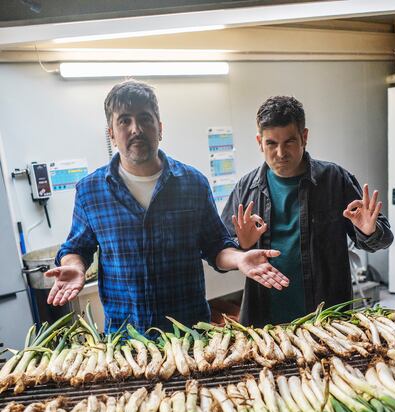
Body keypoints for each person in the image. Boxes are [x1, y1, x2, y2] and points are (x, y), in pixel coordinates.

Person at [46, 81, 289, 332]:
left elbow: (216, 246)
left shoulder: (193, 184)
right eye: (124, 121)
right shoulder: (91, 191)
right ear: (111, 133)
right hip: (125, 340)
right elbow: (76, 247)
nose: (136, 129)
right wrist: (75, 267)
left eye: (145, 119)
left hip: (190, 335)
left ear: (159, 128)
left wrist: (239, 259)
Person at [221, 95, 393, 327]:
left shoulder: (334, 180)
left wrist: (369, 232)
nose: (280, 153)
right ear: (259, 142)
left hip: (327, 320)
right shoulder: (246, 188)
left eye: (289, 141)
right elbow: (221, 251)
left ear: (304, 137)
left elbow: (381, 240)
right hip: (264, 323)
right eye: (271, 143)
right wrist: (241, 246)